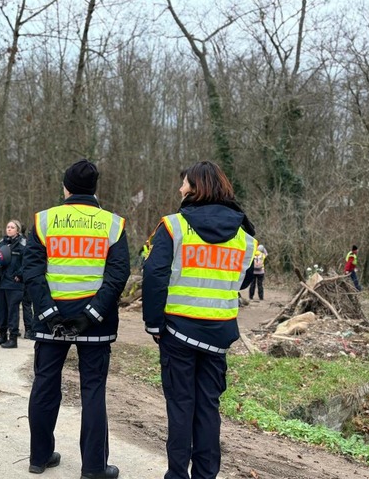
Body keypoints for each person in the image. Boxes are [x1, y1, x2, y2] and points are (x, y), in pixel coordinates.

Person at [142, 161, 256, 479]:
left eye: (185, 184)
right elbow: (244, 280)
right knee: (208, 407)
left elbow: (154, 273)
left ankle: (177, 475)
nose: (180, 189)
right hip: (219, 334)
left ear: (196, 187)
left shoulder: (174, 225)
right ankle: (205, 475)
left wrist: (153, 323)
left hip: (178, 330)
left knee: (181, 406)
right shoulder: (244, 232)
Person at [23, 159, 130, 479]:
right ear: (95, 189)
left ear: (66, 187)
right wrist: (93, 314)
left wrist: (49, 313)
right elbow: (118, 274)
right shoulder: (113, 224)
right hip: (95, 323)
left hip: (50, 321)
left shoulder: (44, 221)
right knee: (93, 390)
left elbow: (31, 271)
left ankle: (39, 457)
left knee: (44, 385)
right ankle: (94, 468)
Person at [0, 220, 25, 349]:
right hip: (2, 281)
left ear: (18, 230)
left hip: (15, 284)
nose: (9, 229)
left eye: (12, 227)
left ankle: (13, 338)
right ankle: (2, 335)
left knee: (12, 311)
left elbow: (27, 262)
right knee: (1, 310)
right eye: (7, 227)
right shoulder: (2, 243)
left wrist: (19, 275)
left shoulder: (22, 244)